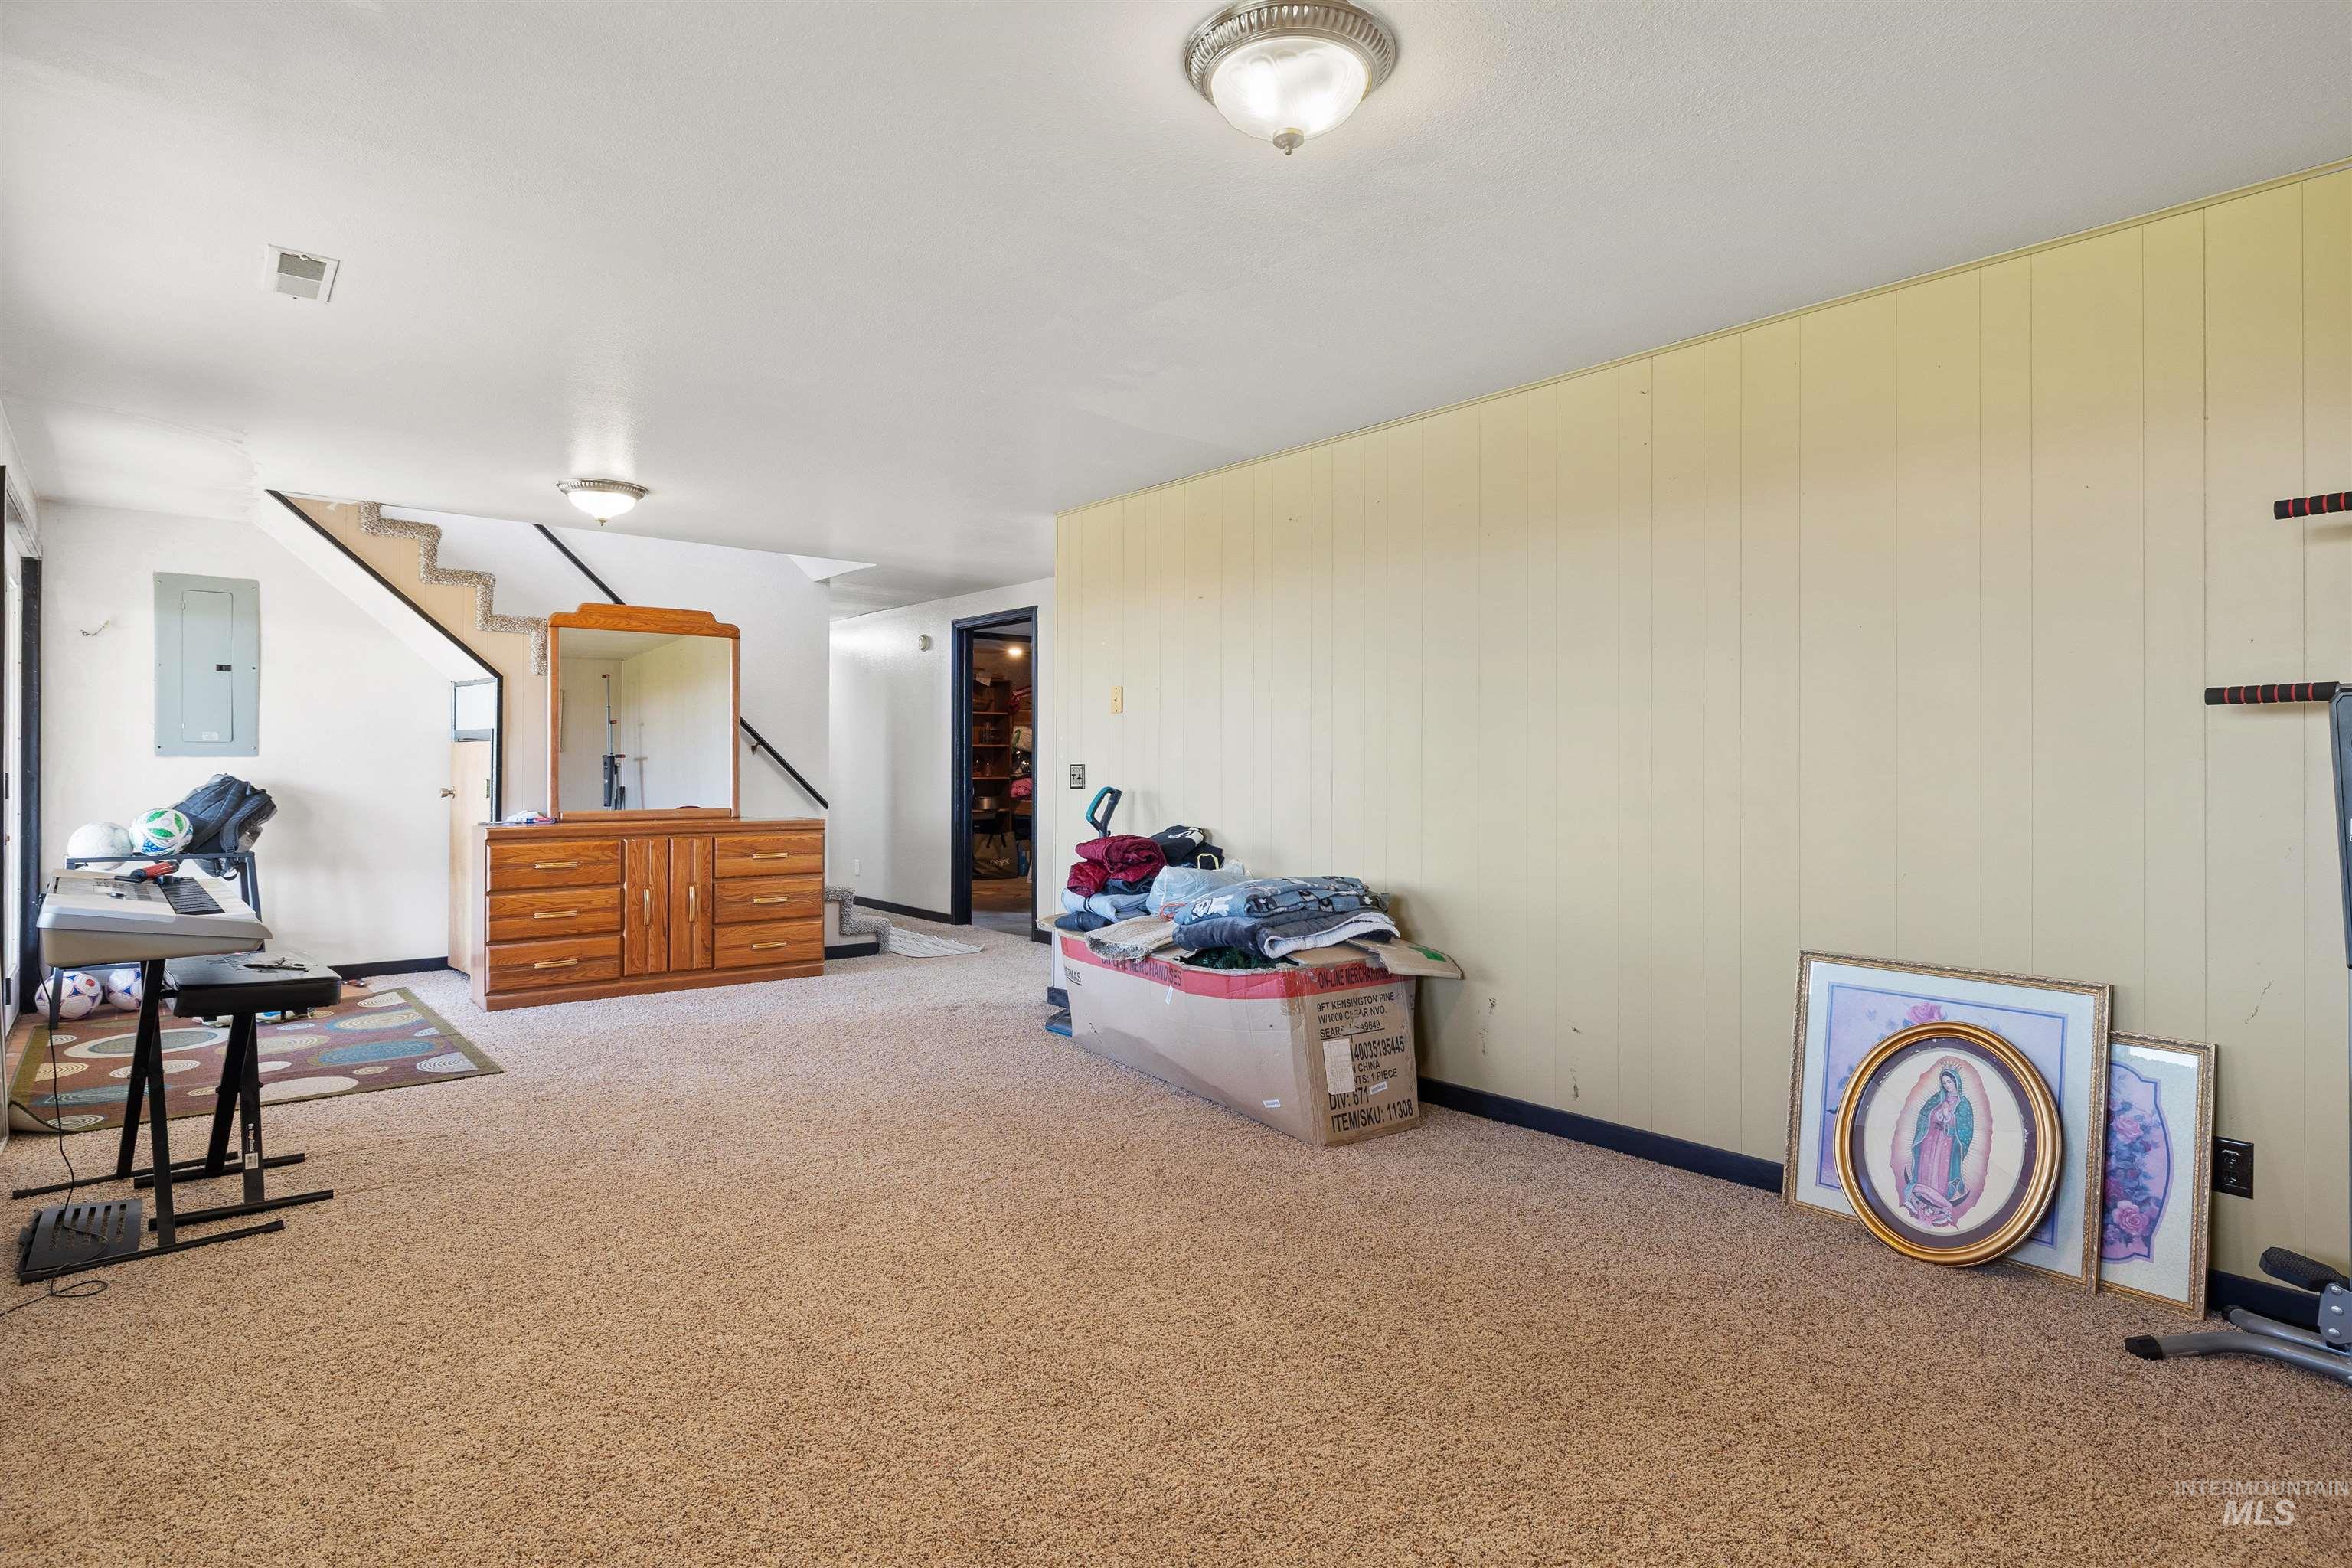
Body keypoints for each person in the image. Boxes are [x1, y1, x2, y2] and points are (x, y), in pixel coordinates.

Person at [1901, 1063, 1975, 1227]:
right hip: (1931, 1141)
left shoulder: (1964, 1104)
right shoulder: (1937, 1098)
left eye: (1950, 1082)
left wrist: (1950, 1117)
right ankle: (1921, 1196)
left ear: (1957, 1082)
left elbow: (1966, 1129)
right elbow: (1925, 1115)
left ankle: (1940, 1203)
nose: (1947, 1086)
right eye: (1944, 1083)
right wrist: (1938, 1114)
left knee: (1940, 1170)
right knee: (1927, 1168)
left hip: (1947, 1145)